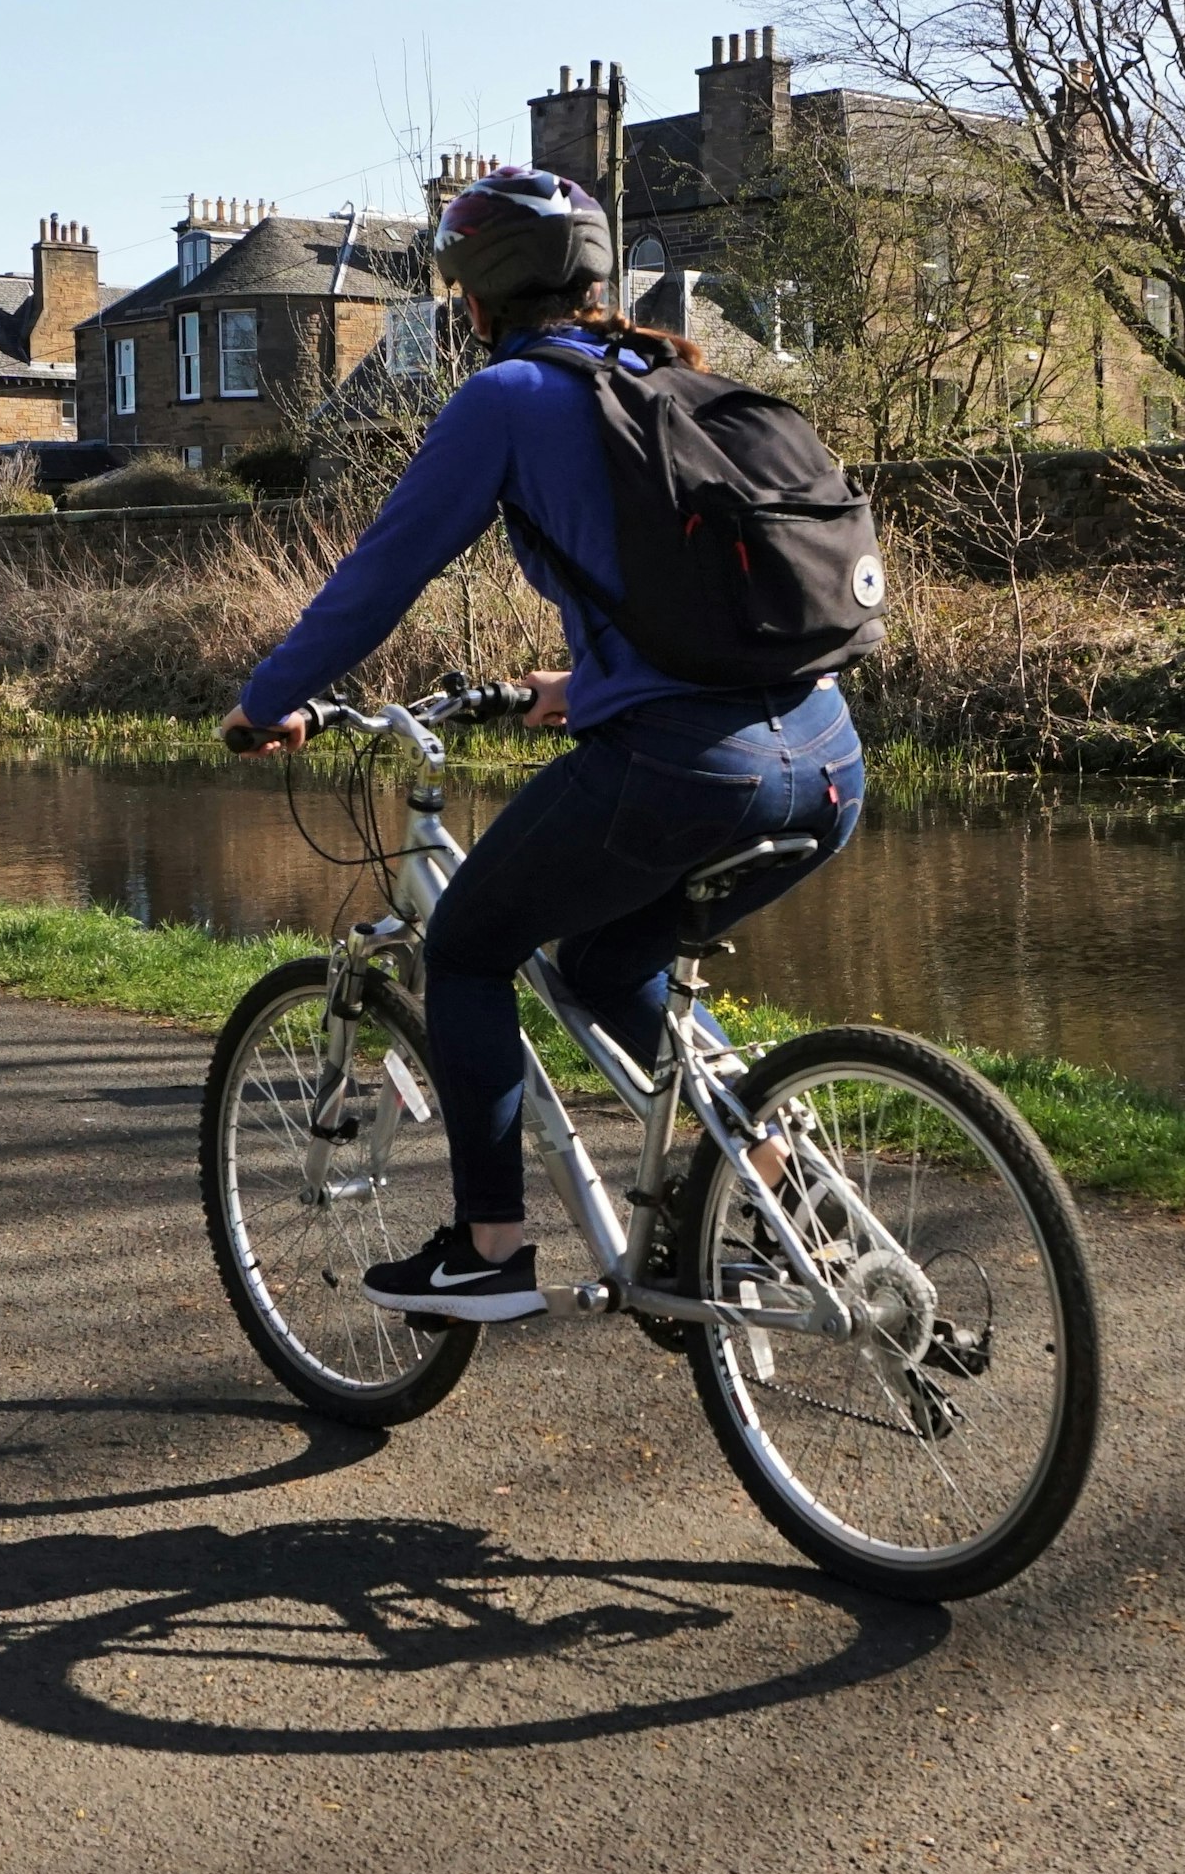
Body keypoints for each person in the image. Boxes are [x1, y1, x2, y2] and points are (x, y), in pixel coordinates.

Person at [219, 166, 865, 1323]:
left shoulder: (510, 395)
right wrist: (597, 680)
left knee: (469, 947)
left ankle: (487, 1248)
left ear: (477, 296)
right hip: (825, 758)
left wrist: (267, 697)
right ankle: (772, 1191)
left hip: (686, 770)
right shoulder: (670, 375)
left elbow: (381, 577)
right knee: (606, 963)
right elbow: (700, 600)